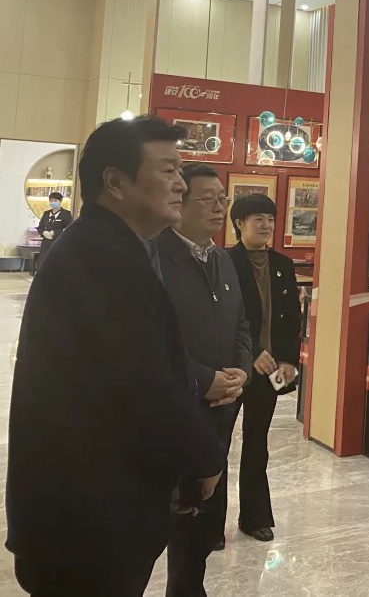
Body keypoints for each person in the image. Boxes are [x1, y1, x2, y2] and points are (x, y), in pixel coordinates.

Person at [6, 116, 225, 596]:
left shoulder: (108, 248)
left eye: (180, 170)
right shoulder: (102, 258)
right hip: (84, 522)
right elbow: (145, 385)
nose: (181, 183)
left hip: (88, 512)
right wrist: (206, 458)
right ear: (115, 182)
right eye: (167, 170)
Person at [159, 162, 253, 596]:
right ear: (178, 204)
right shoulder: (155, 257)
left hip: (220, 411)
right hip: (173, 411)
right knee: (165, 518)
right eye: (207, 199)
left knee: (200, 523)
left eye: (223, 199)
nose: (219, 208)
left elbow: (241, 326)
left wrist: (241, 371)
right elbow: (148, 340)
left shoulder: (222, 259)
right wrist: (202, 379)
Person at [228, 194, 302, 543]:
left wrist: (288, 360)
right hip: (234, 367)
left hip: (271, 369)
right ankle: (209, 524)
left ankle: (255, 517)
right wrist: (253, 352)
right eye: (258, 218)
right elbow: (226, 318)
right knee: (217, 443)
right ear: (239, 223)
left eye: (270, 219)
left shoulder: (282, 264)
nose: (266, 225)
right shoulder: (225, 261)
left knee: (257, 442)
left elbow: (292, 320)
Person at [35, 191, 73, 266]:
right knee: (43, 262)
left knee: (56, 263)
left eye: (55, 200)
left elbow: (70, 229)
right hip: (46, 243)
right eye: (51, 200)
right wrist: (43, 232)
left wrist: (55, 233)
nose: (53, 202)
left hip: (59, 242)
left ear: (60, 201)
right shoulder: (46, 213)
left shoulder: (66, 214)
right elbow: (40, 227)